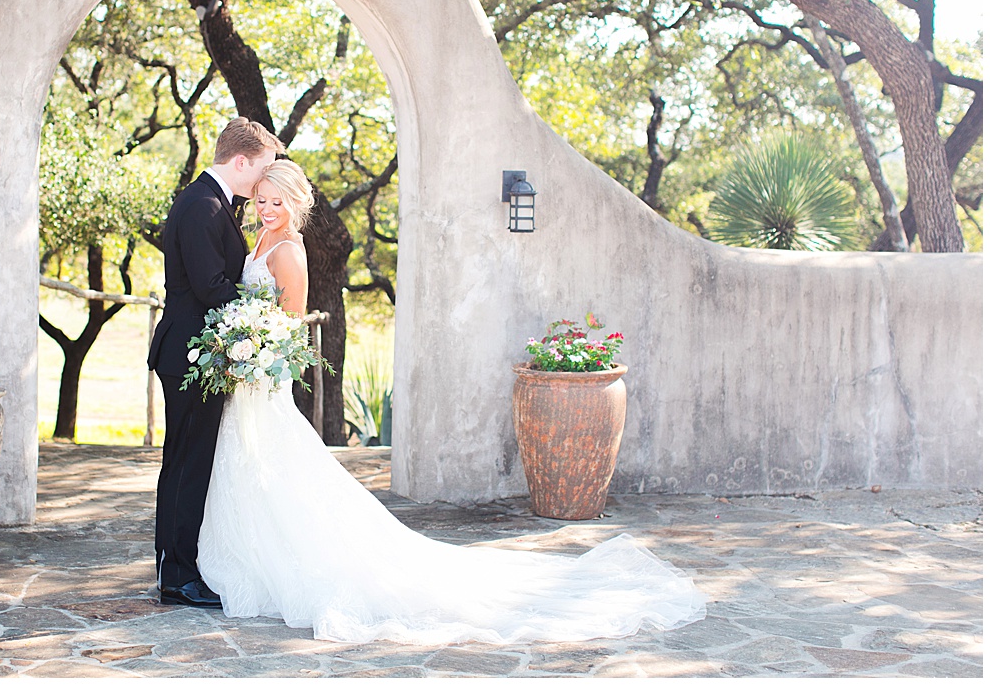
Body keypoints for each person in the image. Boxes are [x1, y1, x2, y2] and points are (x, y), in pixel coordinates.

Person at [196, 160, 709, 644]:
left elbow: (290, 326)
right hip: (248, 379)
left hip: (264, 379)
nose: (267, 210)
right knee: (256, 468)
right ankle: (251, 559)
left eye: (277, 202)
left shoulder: (289, 251)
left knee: (279, 468)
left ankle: (287, 564)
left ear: (296, 204)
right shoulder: (260, 238)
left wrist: (255, 346)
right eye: (262, 200)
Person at [147, 117, 283, 608]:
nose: (264, 180)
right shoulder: (202, 205)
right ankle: (178, 576)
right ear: (241, 161)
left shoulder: (211, 201)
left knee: (185, 462)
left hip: (194, 352)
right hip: (189, 355)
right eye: (263, 168)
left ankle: (175, 567)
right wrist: (260, 316)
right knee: (187, 464)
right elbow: (210, 287)